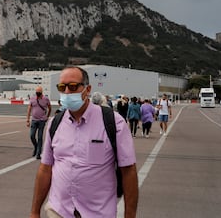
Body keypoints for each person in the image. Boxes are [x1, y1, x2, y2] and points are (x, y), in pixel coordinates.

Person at [30, 66, 138, 218]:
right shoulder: (54, 123)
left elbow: (128, 171)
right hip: (58, 211)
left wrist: (130, 215)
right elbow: (45, 169)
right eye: (62, 87)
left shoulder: (113, 122)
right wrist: (35, 211)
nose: (67, 92)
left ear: (87, 89)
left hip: (97, 213)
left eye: (73, 87)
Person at [26, 86, 51, 159]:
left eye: (39, 93)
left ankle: (38, 153)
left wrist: (47, 116)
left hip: (42, 121)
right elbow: (29, 109)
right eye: (36, 93)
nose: (37, 94)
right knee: (32, 135)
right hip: (34, 120)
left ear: (42, 92)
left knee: (40, 137)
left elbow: (50, 108)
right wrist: (27, 120)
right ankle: (36, 147)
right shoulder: (32, 99)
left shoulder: (46, 99)